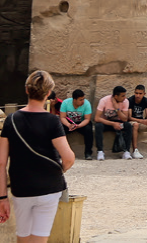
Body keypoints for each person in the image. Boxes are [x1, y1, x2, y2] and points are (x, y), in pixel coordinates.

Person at [0, 70, 75, 242]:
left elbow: (1, 163)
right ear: (48, 93)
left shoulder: (11, 121)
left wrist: (2, 197)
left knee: (23, 237)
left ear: (27, 90)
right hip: (48, 187)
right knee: (40, 238)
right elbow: (69, 158)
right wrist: (57, 170)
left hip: (22, 187)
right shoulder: (52, 121)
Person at [93, 86, 133, 160]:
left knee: (128, 126)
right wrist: (113, 124)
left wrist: (117, 109)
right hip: (107, 123)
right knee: (98, 126)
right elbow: (97, 118)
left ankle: (126, 151)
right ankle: (100, 151)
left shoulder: (125, 101)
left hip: (119, 123)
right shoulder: (104, 100)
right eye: (122, 96)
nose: (124, 98)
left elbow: (125, 119)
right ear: (116, 96)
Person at [59, 89, 93, 159]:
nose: (83, 101)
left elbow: (87, 119)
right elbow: (62, 117)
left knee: (89, 128)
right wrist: (68, 125)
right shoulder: (65, 103)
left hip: (81, 123)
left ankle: (88, 153)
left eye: (83, 99)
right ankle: (60, 152)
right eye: (80, 100)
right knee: (60, 129)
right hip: (69, 123)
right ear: (74, 100)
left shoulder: (87, 104)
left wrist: (79, 126)